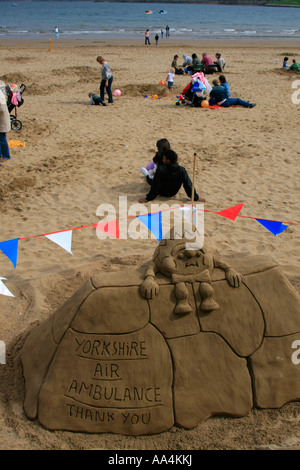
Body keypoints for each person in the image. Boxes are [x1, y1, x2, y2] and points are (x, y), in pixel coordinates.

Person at [139, 149, 205, 203]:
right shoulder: (181, 169)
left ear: (168, 160)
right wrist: (195, 198)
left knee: (150, 180)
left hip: (161, 192)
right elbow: (188, 184)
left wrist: (148, 198)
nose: (162, 160)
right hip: (173, 192)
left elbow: (156, 185)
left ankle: (147, 174)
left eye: (164, 159)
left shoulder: (161, 169)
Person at [0, 81, 11, 161]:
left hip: (2, 121)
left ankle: (5, 155)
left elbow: (1, 109)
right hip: (2, 120)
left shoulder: (1, 98)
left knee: (2, 138)